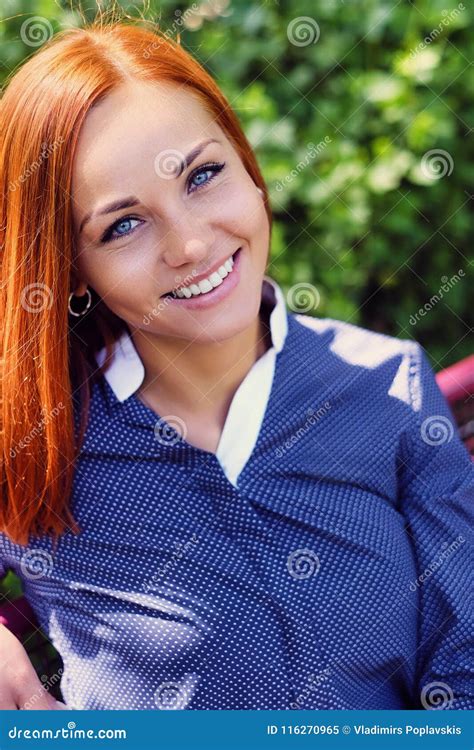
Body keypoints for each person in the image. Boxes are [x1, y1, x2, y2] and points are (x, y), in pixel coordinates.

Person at [0, 19, 472, 711]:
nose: (190, 244)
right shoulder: (33, 431)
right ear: (69, 268)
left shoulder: (390, 385)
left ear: (250, 169)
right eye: (122, 225)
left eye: (204, 175)